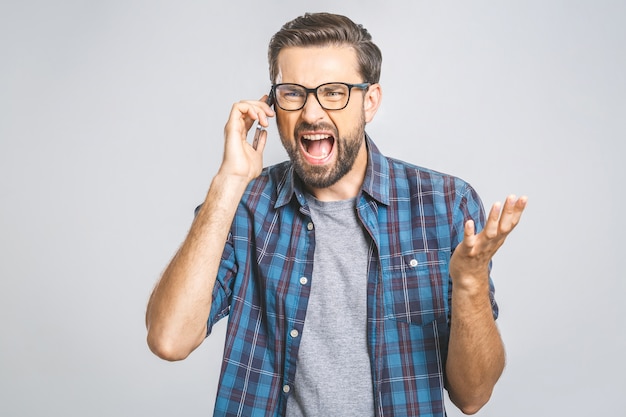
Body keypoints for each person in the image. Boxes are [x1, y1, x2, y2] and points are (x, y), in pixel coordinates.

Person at [146, 12, 527, 417]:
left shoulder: (444, 203)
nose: (311, 114)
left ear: (370, 101)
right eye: (293, 92)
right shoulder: (245, 207)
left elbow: (473, 396)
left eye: (333, 92)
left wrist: (469, 285)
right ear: (273, 102)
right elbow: (169, 339)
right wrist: (228, 182)